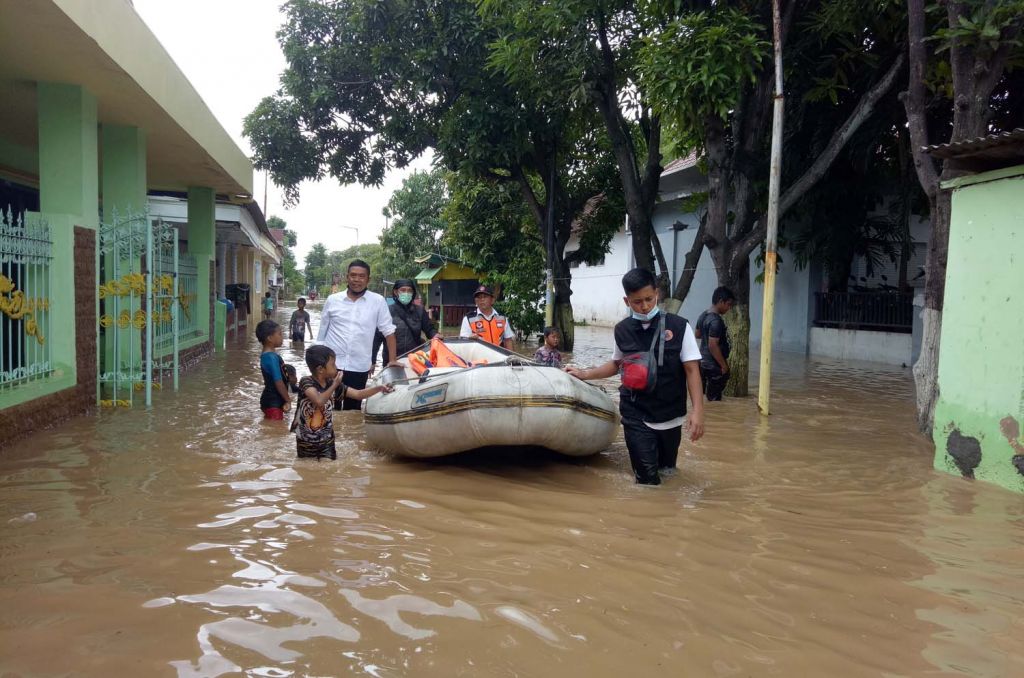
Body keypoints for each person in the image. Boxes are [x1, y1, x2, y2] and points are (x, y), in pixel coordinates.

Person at [565, 267, 705, 485]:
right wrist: (583, 374)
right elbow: (616, 364)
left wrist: (698, 412)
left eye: (649, 299)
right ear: (626, 301)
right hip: (635, 413)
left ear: (656, 293)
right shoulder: (622, 330)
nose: (645, 305)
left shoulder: (680, 326)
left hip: (671, 415)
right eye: (637, 302)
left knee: (668, 472)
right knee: (648, 482)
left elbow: (692, 370)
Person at [316, 259, 398, 410]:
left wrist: (392, 359)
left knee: (352, 412)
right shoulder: (332, 300)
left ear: (368, 279)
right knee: (328, 410)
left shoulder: (378, 301)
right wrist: (317, 364)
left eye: (361, 276)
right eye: (353, 275)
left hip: (359, 367)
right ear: (347, 277)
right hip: (331, 366)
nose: (357, 280)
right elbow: (322, 334)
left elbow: (389, 332)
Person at [291, 344, 390, 460]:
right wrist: (335, 385)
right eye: (333, 364)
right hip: (305, 440)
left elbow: (358, 394)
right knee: (307, 469)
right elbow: (319, 401)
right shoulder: (306, 382)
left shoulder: (331, 384)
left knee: (329, 468)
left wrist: (379, 388)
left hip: (327, 440)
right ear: (320, 369)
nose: (336, 367)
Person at [373, 278, 438, 364]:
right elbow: (377, 337)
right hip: (392, 360)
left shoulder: (420, 311)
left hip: (415, 358)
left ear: (413, 293)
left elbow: (429, 330)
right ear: (396, 292)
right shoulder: (387, 311)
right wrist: (372, 361)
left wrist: (435, 335)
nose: (406, 293)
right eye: (403, 290)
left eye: (409, 291)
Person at [693, 286, 735, 401]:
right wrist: (724, 366)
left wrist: (707, 333)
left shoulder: (703, 315)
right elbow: (713, 345)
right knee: (714, 400)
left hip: (702, 364)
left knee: (702, 399)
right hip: (714, 366)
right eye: (728, 304)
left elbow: (697, 334)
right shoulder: (716, 321)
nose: (729, 308)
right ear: (721, 301)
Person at [460, 284, 515, 350]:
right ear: (476, 301)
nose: (482, 299)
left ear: (492, 300)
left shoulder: (502, 318)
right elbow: (463, 343)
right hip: (479, 358)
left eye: (485, 296)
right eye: (479, 297)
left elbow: (508, 340)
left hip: (499, 357)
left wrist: (511, 358)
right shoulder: (468, 319)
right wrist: (470, 339)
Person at [255, 319, 291, 420]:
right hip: (273, 402)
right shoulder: (271, 357)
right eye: (279, 334)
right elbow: (278, 381)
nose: (282, 337)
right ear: (270, 338)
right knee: (276, 431)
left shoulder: (267, 355)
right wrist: (288, 400)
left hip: (271, 400)